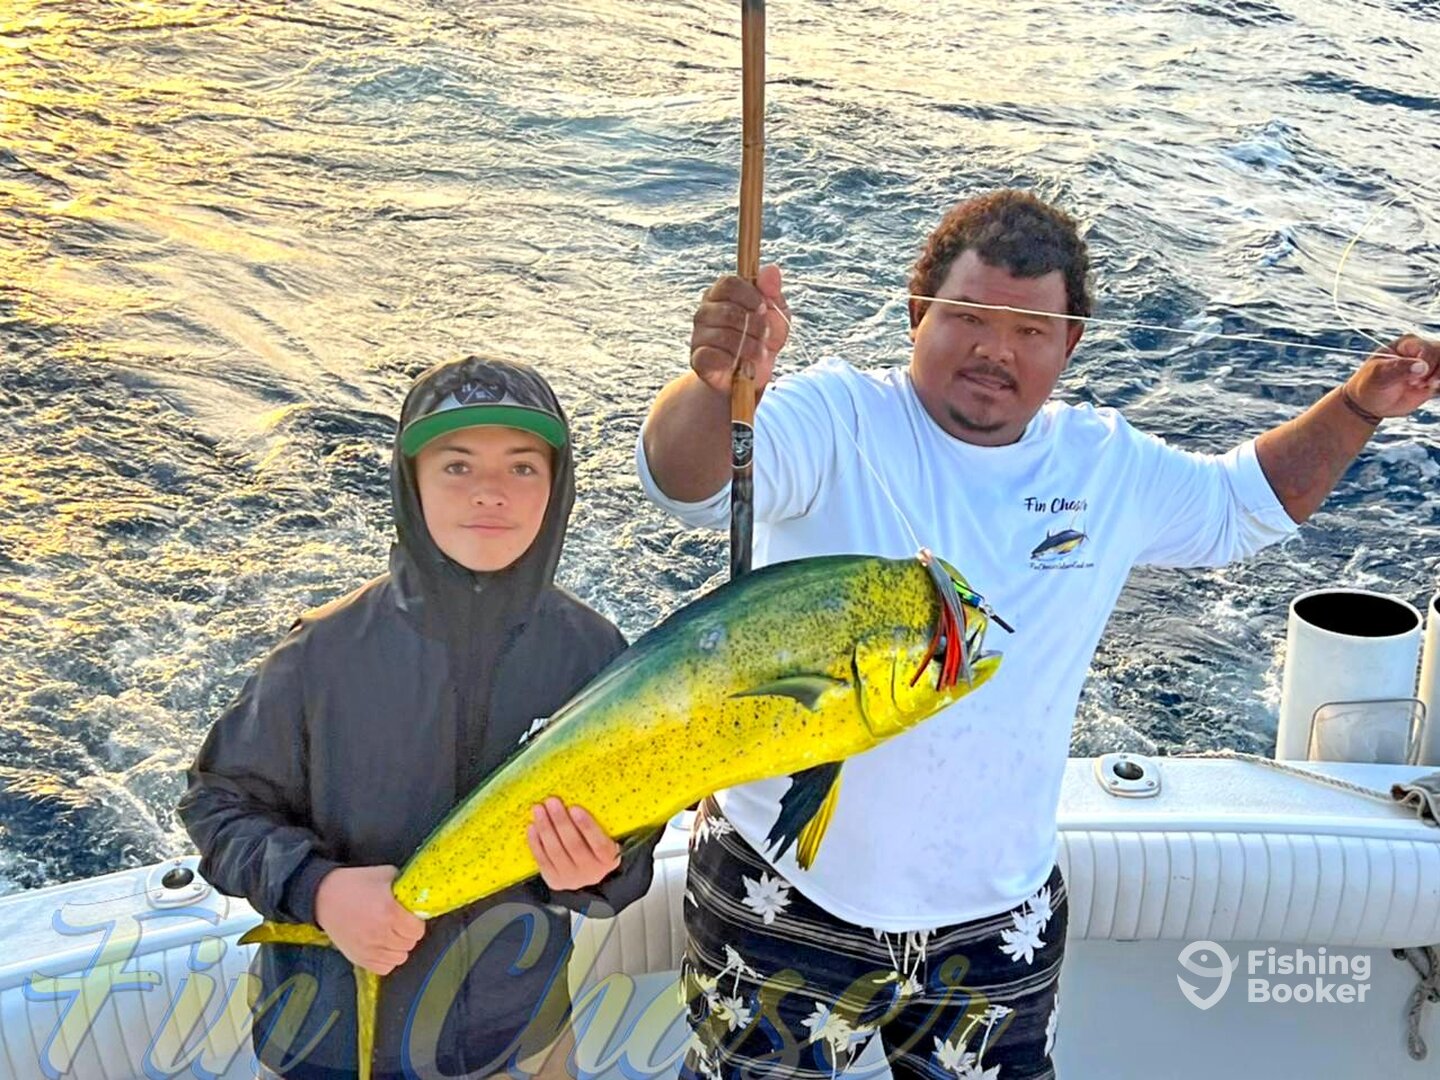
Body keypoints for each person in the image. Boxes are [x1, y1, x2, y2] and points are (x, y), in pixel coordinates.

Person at [638, 189, 1440, 1080]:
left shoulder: (1103, 463)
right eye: (968, 317)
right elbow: (687, 480)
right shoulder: (834, 417)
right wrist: (714, 385)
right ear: (916, 313)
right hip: (781, 890)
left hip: (997, 920)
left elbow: (1242, 506)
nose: (996, 349)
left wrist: (1360, 404)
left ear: (1071, 344)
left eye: (1030, 329)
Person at [179, 356, 658, 1080]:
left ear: (557, 488)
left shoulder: (597, 657)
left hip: (519, 1038)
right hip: (328, 1045)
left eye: (523, 467)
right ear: (411, 484)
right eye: (456, 466)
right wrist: (320, 889)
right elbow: (216, 806)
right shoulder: (321, 654)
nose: (490, 491)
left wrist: (600, 870)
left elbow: (635, 836)